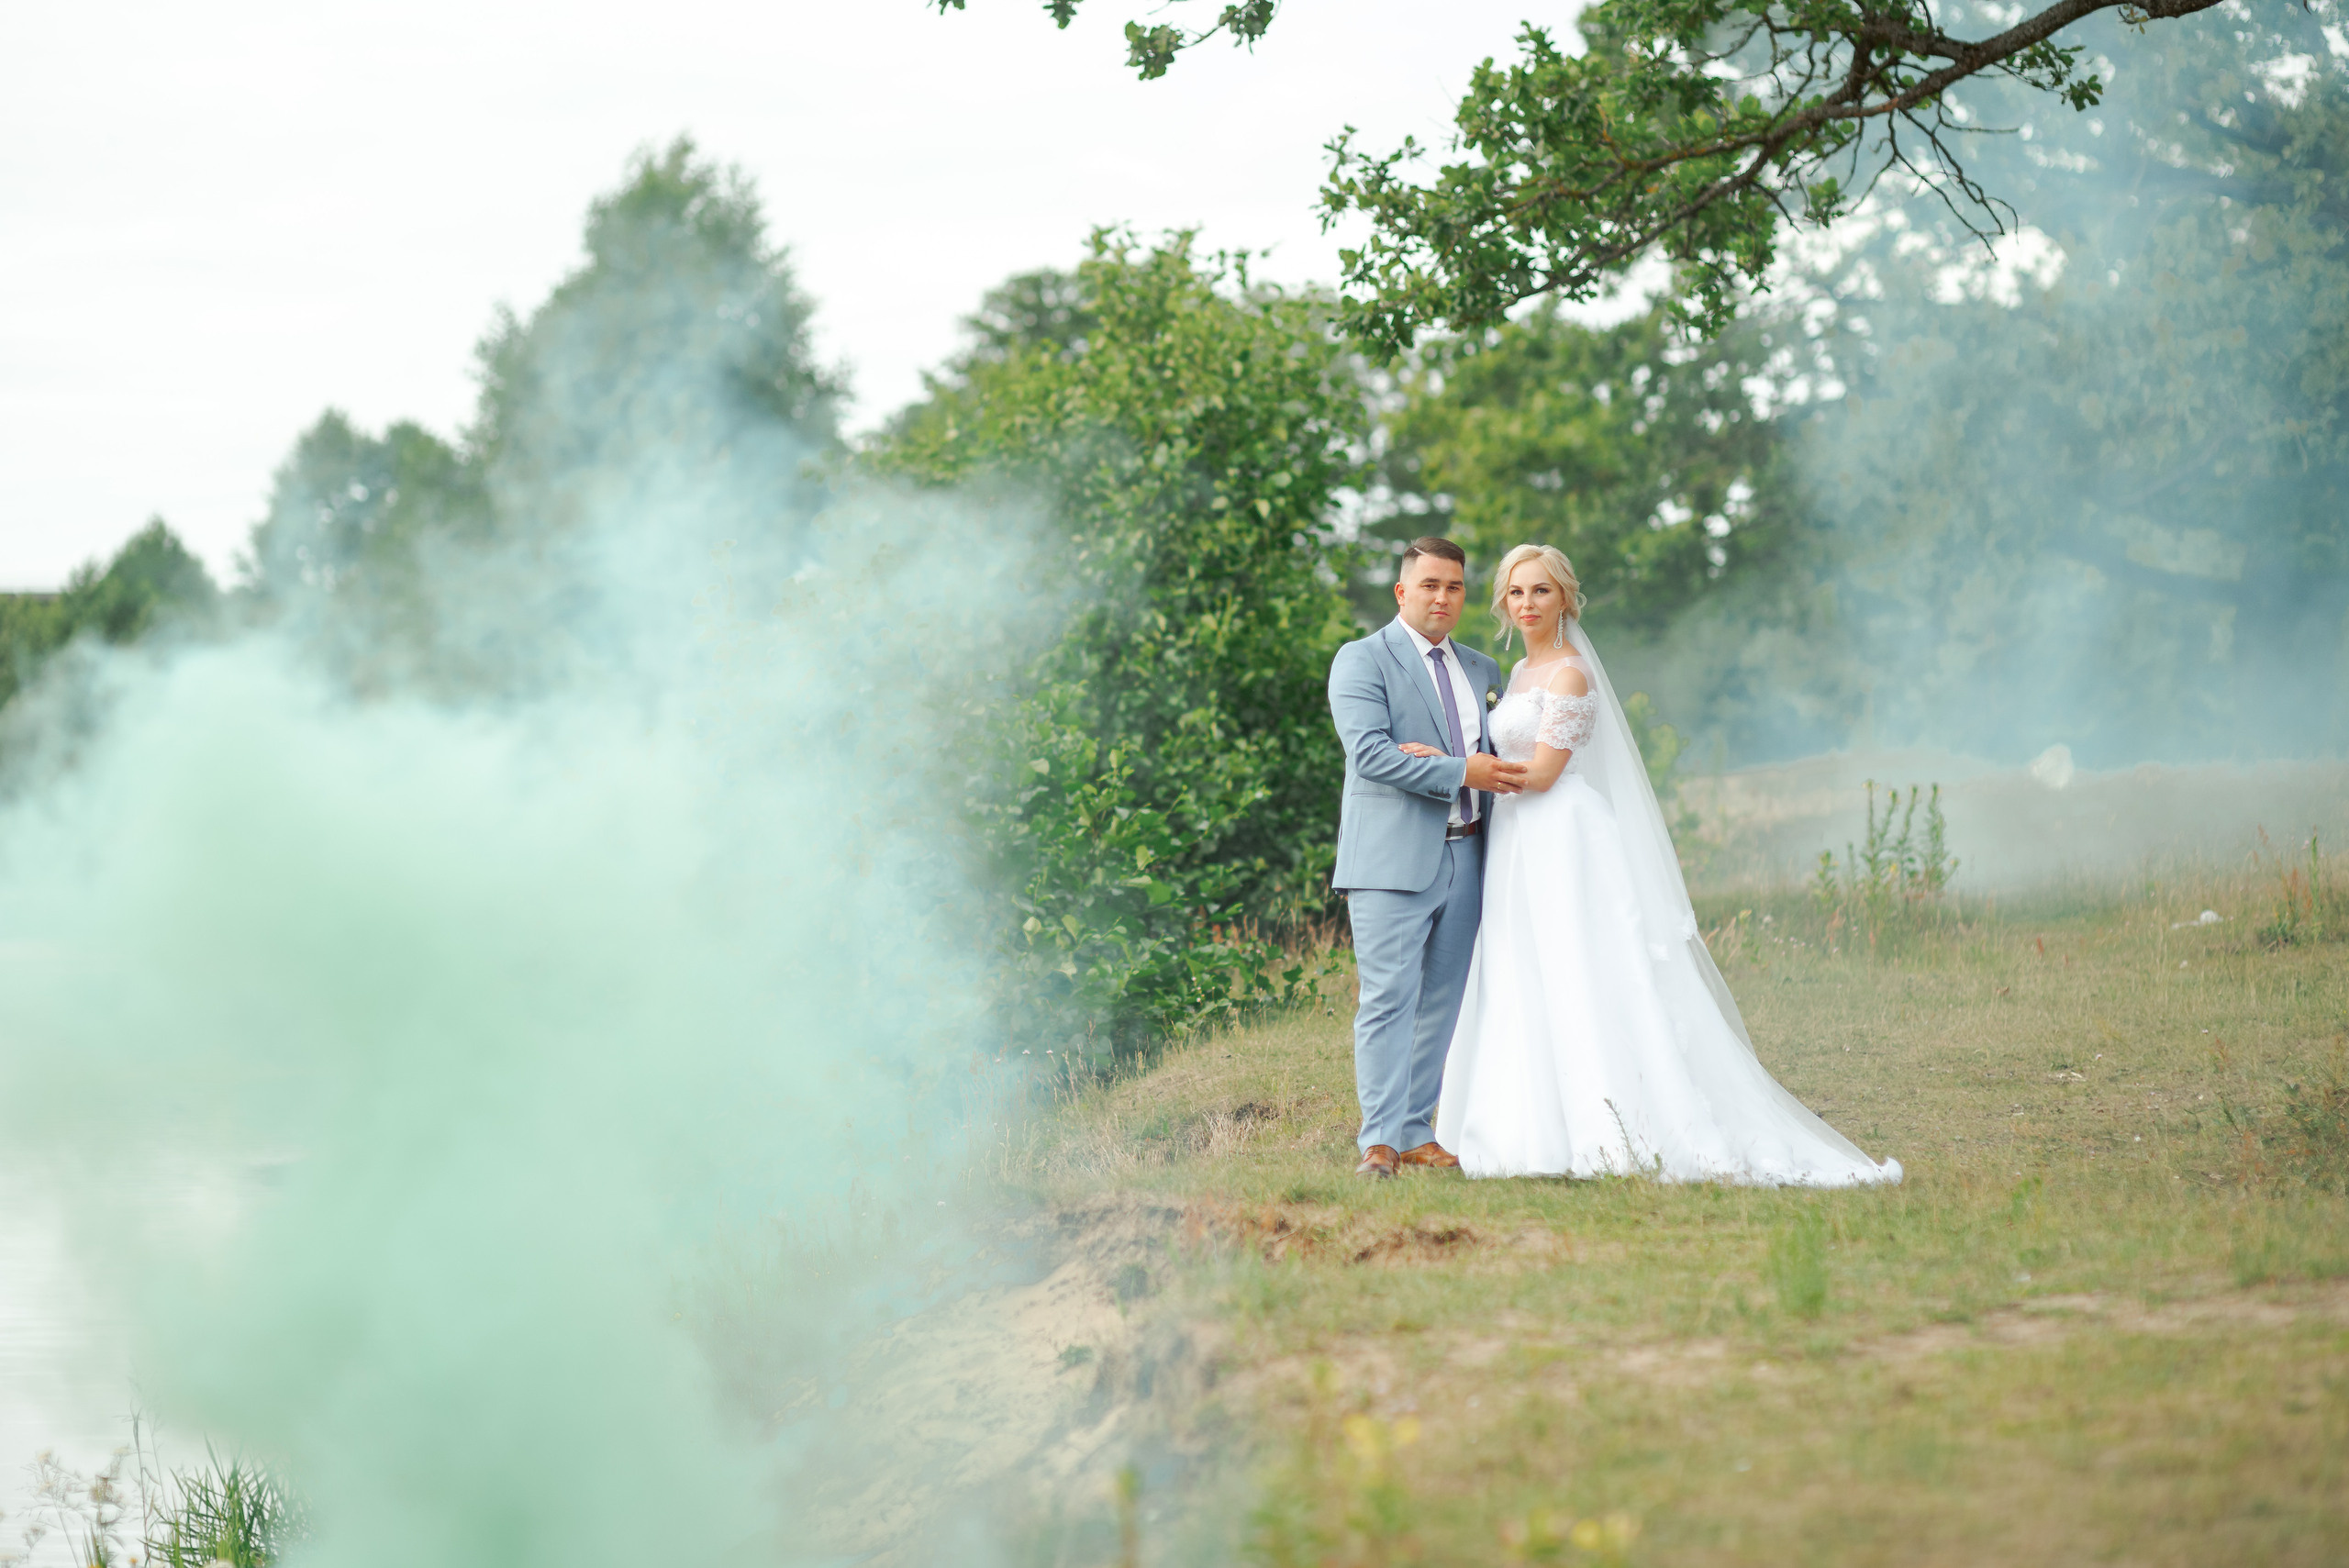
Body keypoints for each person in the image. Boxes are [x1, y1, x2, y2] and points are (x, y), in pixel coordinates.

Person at [1424, 544, 1902, 1184]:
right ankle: (1528, 1128)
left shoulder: (1569, 674)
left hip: (1561, 836)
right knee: (1523, 967)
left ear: (1564, 597)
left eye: (1540, 591)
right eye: (1516, 592)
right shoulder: (1515, 677)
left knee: (1580, 969)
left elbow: (1541, 773)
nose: (1528, 604)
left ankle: (1613, 1129)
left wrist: (1453, 767)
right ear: (1504, 602)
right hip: (1516, 842)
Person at [1325, 538, 1528, 1179]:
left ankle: (1416, 1128)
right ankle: (1378, 1140)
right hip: (1389, 862)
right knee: (1388, 997)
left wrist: (1446, 765)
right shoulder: (1361, 661)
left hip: (1468, 853)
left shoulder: (1482, 669)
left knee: (1444, 998)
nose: (1443, 597)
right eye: (1431, 584)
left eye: (1456, 587)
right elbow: (1371, 755)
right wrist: (1457, 768)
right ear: (1402, 591)